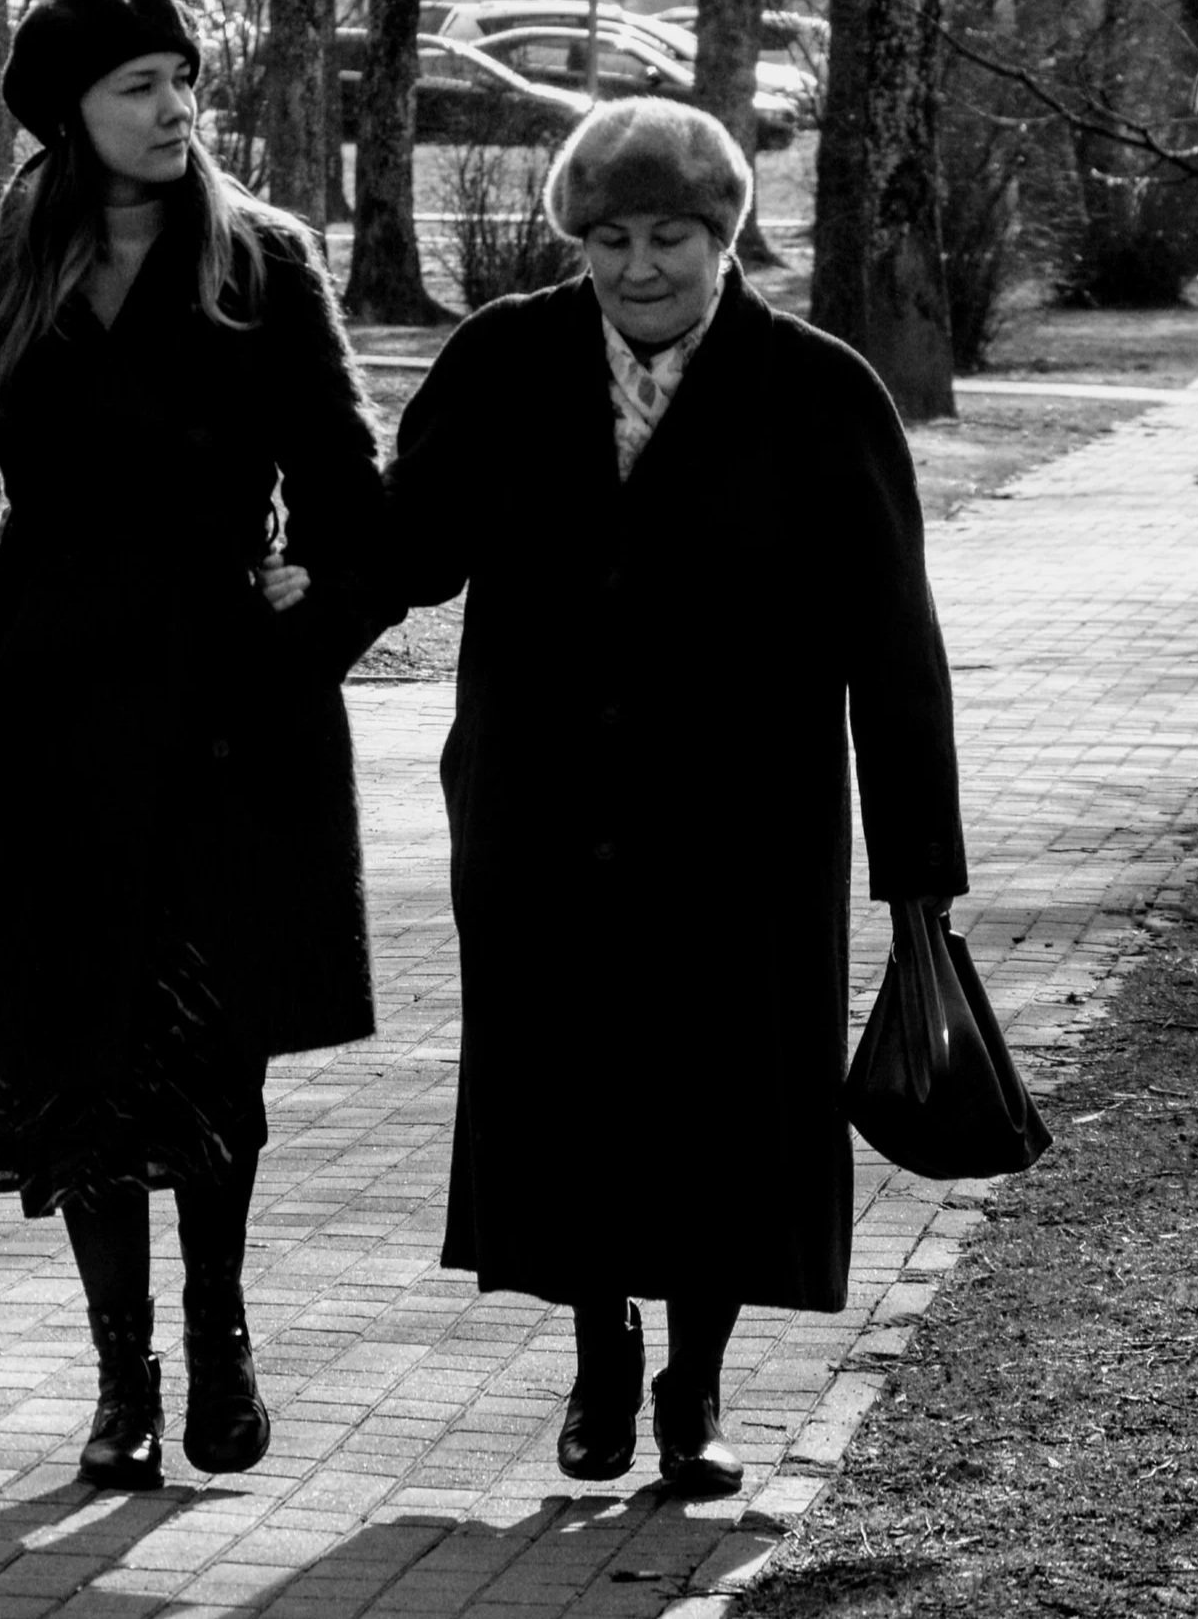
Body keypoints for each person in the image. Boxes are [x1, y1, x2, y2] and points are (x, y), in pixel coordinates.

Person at [383, 98, 969, 1498]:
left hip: (742, 825)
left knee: (724, 1100)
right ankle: (598, 1358)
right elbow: (408, 548)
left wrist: (919, 876)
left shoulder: (820, 391)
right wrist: (288, 593)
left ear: (726, 236)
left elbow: (896, 642)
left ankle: (695, 1387)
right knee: (573, 1088)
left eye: (671, 238)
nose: (639, 267)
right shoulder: (509, 361)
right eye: (609, 239)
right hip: (543, 808)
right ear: (575, 242)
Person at [0, 0, 388, 1492]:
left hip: (228, 714)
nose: (176, 109)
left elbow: (355, 501)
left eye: (182, 79)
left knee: (209, 1046)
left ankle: (221, 1334)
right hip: (52, 720)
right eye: (137, 88)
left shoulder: (265, 261)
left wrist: (305, 638)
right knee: (72, 1055)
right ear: (65, 117)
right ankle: (123, 1384)